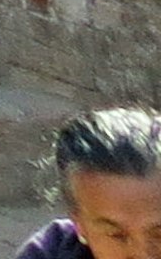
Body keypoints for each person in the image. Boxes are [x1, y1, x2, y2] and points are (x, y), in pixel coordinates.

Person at [21, 110, 160, 259]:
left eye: (159, 234)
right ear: (80, 226)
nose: (142, 254)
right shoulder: (50, 252)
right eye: (116, 235)